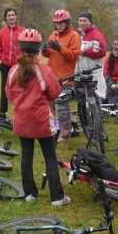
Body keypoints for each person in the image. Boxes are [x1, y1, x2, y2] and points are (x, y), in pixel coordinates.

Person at [6, 29, 70, 206]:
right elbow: (55, 92)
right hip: (42, 121)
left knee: (26, 156)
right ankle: (57, 197)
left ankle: (30, 194)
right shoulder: (44, 70)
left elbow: (9, 94)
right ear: (38, 50)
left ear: (20, 49)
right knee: (50, 156)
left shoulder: (13, 71)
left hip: (22, 121)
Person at [41, 9, 81, 141]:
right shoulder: (53, 35)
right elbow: (48, 55)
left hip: (66, 77)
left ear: (67, 22)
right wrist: (44, 50)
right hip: (52, 75)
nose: (59, 25)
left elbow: (74, 56)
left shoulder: (74, 36)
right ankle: (52, 128)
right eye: (57, 23)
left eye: (61, 23)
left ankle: (65, 133)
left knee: (62, 105)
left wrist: (60, 48)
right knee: (49, 104)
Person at [0, 8, 24, 120]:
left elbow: (25, 47)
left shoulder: (22, 31)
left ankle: (19, 113)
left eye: (13, 15)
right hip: (5, 65)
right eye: (9, 15)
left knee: (19, 89)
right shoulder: (1, 32)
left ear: (16, 17)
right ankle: (2, 112)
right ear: (5, 18)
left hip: (18, 66)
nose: (11, 17)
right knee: (4, 88)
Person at [76, 11, 107, 99]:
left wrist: (85, 52)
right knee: (83, 101)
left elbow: (101, 51)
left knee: (96, 101)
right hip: (82, 74)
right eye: (80, 21)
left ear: (90, 22)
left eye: (85, 21)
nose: (82, 23)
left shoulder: (96, 35)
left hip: (95, 74)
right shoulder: (79, 36)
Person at [103, 40, 118, 104]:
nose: (116, 52)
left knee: (114, 102)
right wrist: (111, 84)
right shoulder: (108, 60)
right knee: (106, 101)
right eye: (115, 50)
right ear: (112, 50)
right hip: (110, 83)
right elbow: (106, 74)